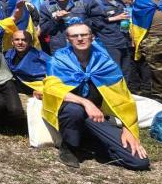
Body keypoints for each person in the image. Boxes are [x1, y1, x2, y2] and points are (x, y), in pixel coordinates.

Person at [42, 23, 149, 170]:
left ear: (92, 37)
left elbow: (123, 97)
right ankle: (69, 147)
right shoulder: (58, 60)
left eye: (84, 35)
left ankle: (91, 142)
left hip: (96, 117)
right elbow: (51, 89)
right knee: (74, 110)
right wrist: (86, 103)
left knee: (139, 161)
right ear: (68, 39)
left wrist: (127, 128)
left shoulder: (105, 62)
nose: (80, 39)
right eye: (74, 36)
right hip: (70, 113)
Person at [39, 0, 105, 52]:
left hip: (86, 47)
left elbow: (100, 20)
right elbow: (45, 29)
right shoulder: (46, 5)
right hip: (61, 51)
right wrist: (55, 20)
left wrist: (79, 24)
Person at [97, 0, 133, 84]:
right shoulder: (98, 4)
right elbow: (95, 23)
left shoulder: (120, 2)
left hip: (124, 41)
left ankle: (126, 93)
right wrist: (115, 18)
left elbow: (125, 20)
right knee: (114, 71)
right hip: (110, 43)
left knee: (126, 70)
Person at [121, 0, 151, 96]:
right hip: (139, 40)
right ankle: (145, 87)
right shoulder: (138, 10)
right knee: (142, 64)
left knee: (134, 65)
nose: (126, 4)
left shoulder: (125, 12)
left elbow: (126, 28)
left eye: (126, 2)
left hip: (132, 41)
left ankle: (137, 87)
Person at [4, 30, 49, 99]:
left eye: (24, 40)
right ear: (12, 42)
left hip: (37, 88)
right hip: (17, 88)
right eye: (17, 39)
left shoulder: (41, 58)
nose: (20, 42)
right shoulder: (7, 56)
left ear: (30, 43)